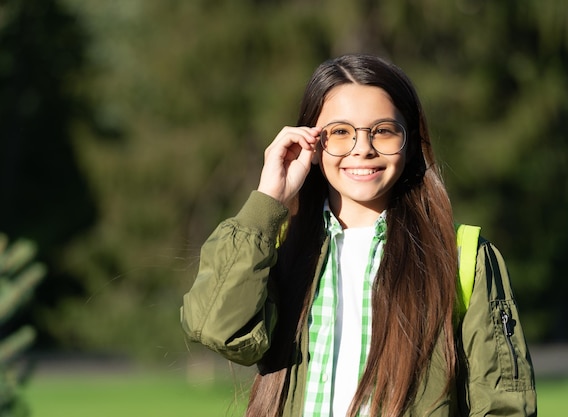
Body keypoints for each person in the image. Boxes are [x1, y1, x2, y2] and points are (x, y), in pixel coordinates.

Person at [180, 54, 537, 417]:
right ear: (313, 145)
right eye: (339, 132)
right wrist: (268, 201)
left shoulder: (464, 257)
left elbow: (504, 407)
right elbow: (219, 330)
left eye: (382, 130)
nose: (362, 148)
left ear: (410, 142)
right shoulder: (275, 247)